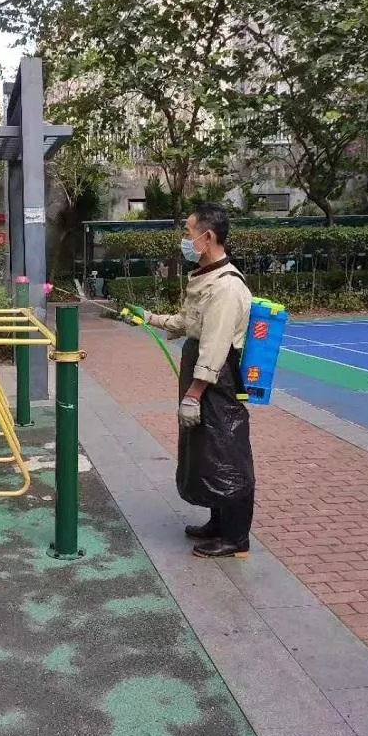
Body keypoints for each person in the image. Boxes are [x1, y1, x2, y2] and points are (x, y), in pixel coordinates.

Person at [141, 203, 255, 558]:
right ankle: (217, 522)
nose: (184, 239)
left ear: (207, 237)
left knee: (226, 451)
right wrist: (150, 318)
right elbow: (188, 322)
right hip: (204, 379)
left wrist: (194, 394)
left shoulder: (227, 287)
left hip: (217, 382)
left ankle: (236, 537)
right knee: (207, 450)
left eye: (188, 232)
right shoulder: (205, 278)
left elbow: (215, 348)